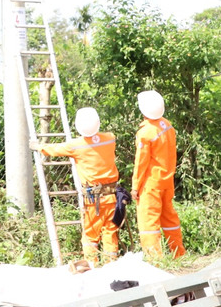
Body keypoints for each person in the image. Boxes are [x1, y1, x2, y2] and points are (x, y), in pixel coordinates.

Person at [37, 107, 120, 264]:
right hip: (112, 195)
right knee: (110, 231)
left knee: (91, 235)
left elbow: (54, 149)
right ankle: (112, 265)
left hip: (94, 198)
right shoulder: (110, 138)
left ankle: (92, 265)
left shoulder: (76, 145)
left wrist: (39, 146)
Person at [133, 90, 184, 259]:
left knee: (148, 222)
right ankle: (178, 253)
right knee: (169, 218)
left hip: (151, 183)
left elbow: (141, 163)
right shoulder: (167, 125)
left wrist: (135, 187)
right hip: (167, 180)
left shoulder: (146, 132)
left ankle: (155, 260)